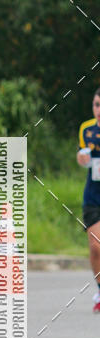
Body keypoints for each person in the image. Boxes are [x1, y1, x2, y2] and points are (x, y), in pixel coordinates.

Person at [77, 88, 100, 311]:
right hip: (93, 196)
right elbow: (82, 155)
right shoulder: (86, 129)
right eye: (96, 104)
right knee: (95, 246)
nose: (99, 110)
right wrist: (82, 159)